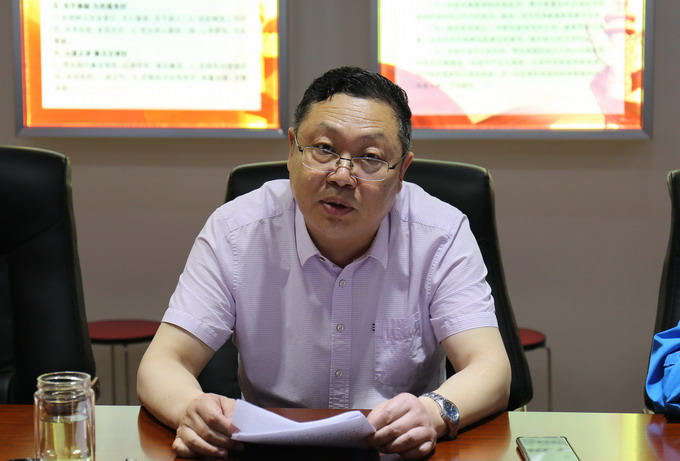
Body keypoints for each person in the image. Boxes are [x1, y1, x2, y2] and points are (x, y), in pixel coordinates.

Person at [137, 66, 511, 459]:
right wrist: (190, 410)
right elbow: (163, 361)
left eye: (370, 157)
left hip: (397, 452)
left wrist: (434, 412)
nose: (342, 176)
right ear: (292, 150)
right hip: (268, 452)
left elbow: (490, 367)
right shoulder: (236, 231)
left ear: (401, 171)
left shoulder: (440, 234)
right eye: (324, 149)